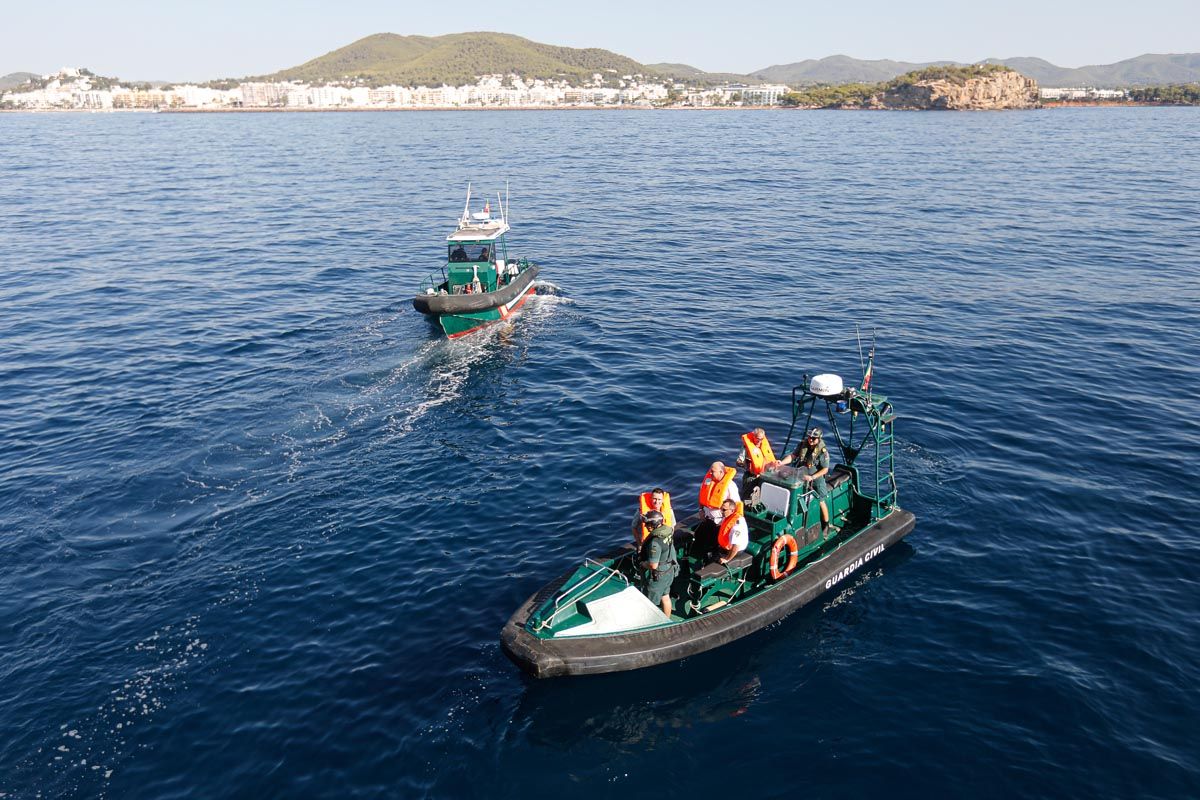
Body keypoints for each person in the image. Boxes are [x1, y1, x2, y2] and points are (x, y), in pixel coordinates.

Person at [780, 427, 831, 532]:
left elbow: (825, 469)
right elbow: (793, 456)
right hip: (801, 476)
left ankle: (826, 525)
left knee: (821, 501)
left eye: (814, 438)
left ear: (819, 439)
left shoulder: (823, 452)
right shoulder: (803, 445)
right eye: (809, 437)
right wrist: (782, 463)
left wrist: (812, 477)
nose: (811, 440)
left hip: (816, 480)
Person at [694, 461, 739, 557]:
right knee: (699, 538)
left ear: (721, 472)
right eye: (710, 471)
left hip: (720, 523)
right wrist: (700, 510)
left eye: (713, 471)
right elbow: (702, 496)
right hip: (707, 519)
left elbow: (735, 507)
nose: (710, 473)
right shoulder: (708, 481)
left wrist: (728, 522)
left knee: (715, 547)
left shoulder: (730, 486)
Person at [639, 510, 678, 616]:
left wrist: (643, 564)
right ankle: (667, 620)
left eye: (648, 524)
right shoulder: (667, 532)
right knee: (665, 597)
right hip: (669, 571)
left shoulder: (655, 542)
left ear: (654, 524)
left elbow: (653, 565)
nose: (646, 526)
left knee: (649, 604)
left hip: (659, 576)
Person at [736, 427, 779, 497]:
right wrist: (740, 462)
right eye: (757, 438)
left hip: (765, 476)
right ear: (753, 436)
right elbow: (739, 460)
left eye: (761, 439)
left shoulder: (764, 446)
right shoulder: (746, 447)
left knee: (763, 496)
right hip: (751, 476)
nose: (759, 441)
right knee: (747, 496)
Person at [715, 499, 748, 565]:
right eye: (721, 509)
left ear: (732, 511)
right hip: (724, 547)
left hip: (733, 551)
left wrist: (726, 559)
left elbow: (736, 546)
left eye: (724, 510)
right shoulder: (727, 516)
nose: (721, 511)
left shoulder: (737, 525)